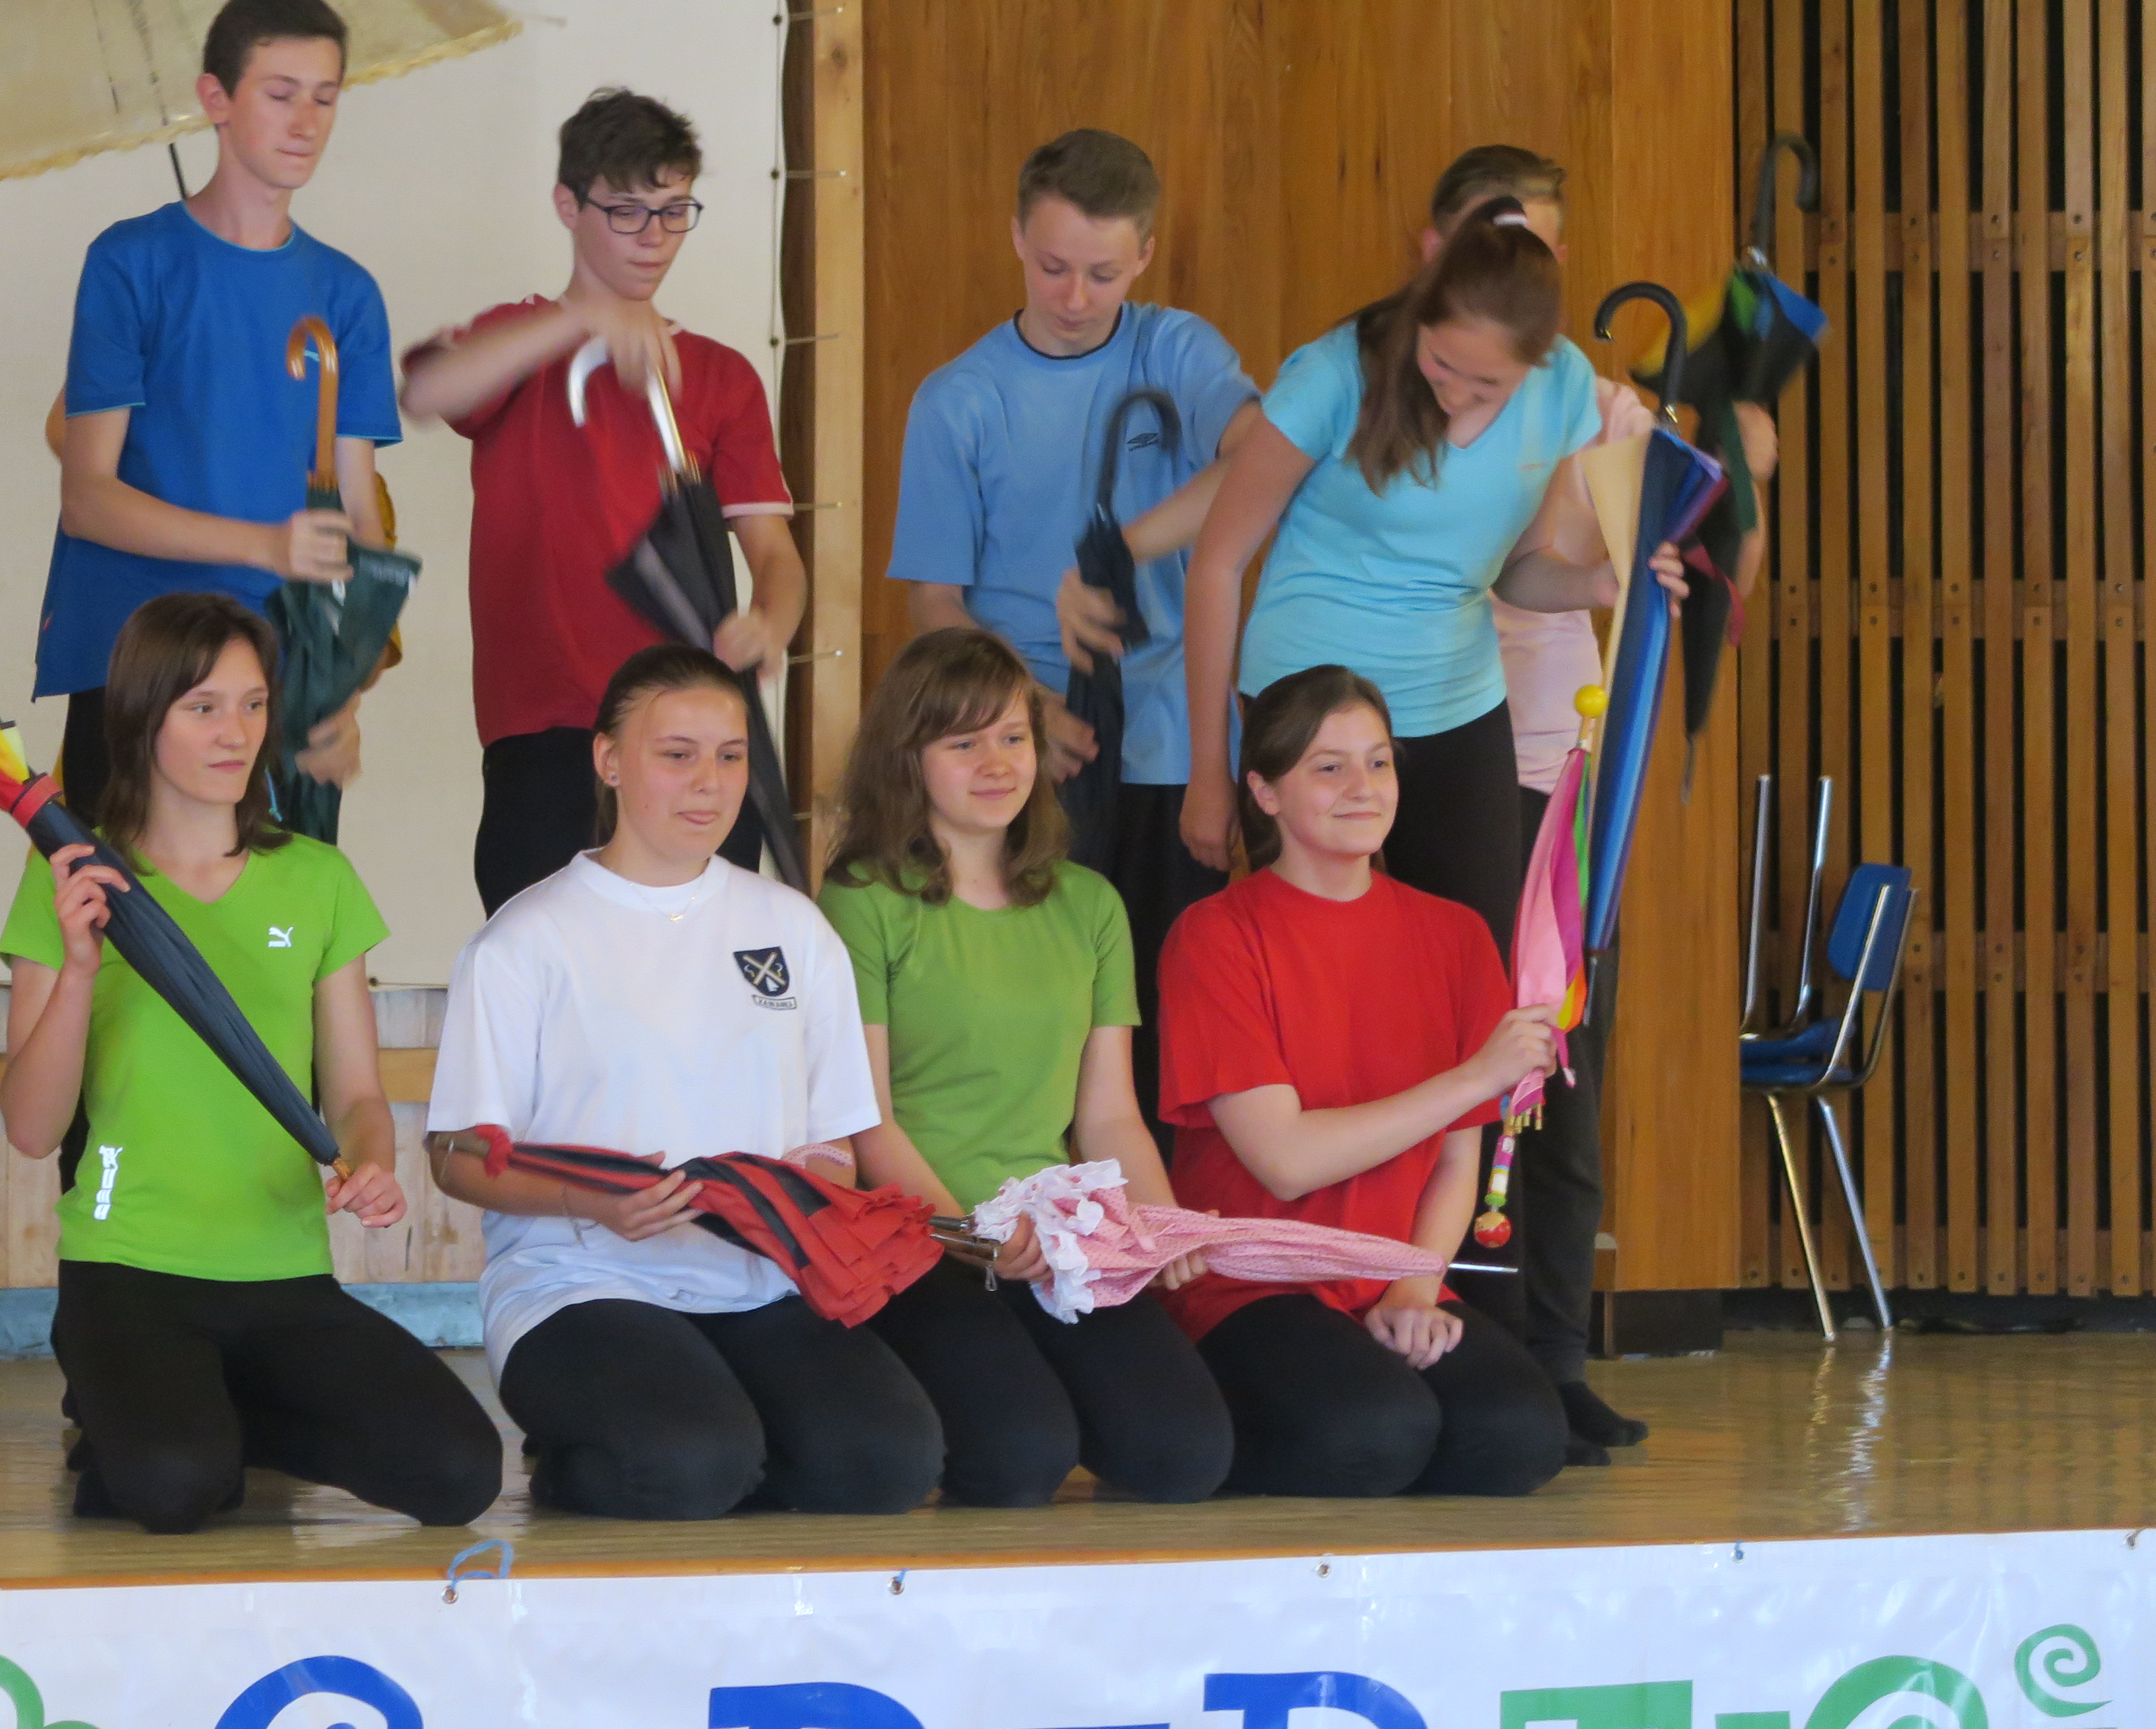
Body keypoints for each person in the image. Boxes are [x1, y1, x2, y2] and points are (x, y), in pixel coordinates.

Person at [0, 593, 503, 1535]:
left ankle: (214, 1429)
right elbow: (31, 1130)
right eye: (204, 708)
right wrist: (78, 969)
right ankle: (165, 1435)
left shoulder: (317, 879)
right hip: (128, 1270)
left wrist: (371, 1162)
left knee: (460, 1473)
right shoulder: (71, 880)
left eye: (254, 704)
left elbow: (355, 1094)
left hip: (284, 1276)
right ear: (142, 717)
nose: (236, 733)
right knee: (175, 1489)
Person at [1414, 147, 1772, 1461]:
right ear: (1435, 247)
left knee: (1559, 1073)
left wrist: (1736, 467)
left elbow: (1705, 564)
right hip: (1415, 765)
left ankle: (1552, 1355)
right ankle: (1441, 1331)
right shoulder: (1398, 385)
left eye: (1536, 239)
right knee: (1441, 1072)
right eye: (1487, 232)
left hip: (1551, 777)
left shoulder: (1601, 403)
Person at [427, 644, 943, 1519]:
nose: (708, 783)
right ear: (609, 760)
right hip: (580, 1283)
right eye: (677, 755)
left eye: (731, 756)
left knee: (888, 1463)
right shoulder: (526, 939)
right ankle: (617, 1456)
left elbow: (836, 1142)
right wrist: (597, 1203)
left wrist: (801, 1187)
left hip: (761, 1280)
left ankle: (727, 1456)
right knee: (690, 1461)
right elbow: (456, 1156)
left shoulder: (793, 927)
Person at [1178, 200, 1673, 951]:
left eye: (1487, 385)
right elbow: (1217, 564)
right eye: (1442, 364)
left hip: (1455, 701)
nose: (1456, 394)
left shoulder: (1566, 389)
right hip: (1309, 699)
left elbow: (1518, 572)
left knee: (1476, 955)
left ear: (1537, 364)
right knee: (1318, 961)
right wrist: (1208, 772)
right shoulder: (1336, 373)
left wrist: (1602, 583)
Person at [887, 130, 1256, 1118]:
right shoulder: (958, 400)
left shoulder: (1177, 350)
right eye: (1053, 267)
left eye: (1103, 273)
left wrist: (1118, 551)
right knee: (1049, 1016)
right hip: (1032, 743)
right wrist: (1018, 712)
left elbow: (1263, 458)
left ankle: (1159, 1207)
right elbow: (935, 604)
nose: (1076, 298)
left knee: (1172, 1015)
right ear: (1016, 237)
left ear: (1145, 255)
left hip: (1172, 733)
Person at [820, 627, 1232, 1507]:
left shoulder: (1091, 904)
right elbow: (867, 1120)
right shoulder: (862, 898)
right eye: (963, 743)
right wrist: (978, 1238)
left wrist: (1159, 1225)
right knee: (1018, 1457)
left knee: (1183, 1455)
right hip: (924, 1238)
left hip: (1059, 1239)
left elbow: (1109, 1115)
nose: (997, 762)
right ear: (908, 758)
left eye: (1013, 736)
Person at [1155, 667, 1569, 1497]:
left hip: (1390, 1271)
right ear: (1265, 793)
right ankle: (1202, 1429)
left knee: (1519, 1438)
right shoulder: (1215, 934)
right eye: (1329, 767)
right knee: (1374, 1433)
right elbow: (1286, 1161)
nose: (1364, 788)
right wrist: (1475, 1077)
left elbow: (1457, 1161)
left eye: (1379, 762)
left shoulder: (1455, 935)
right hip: (1254, 1284)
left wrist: (1416, 1286)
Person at [399, 89, 801, 912]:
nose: (654, 237)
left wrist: (771, 623)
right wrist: (583, 320)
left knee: (696, 959)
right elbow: (427, 391)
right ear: (568, 206)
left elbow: (775, 556)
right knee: (543, 955)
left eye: (675, 211)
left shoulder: (720, 375)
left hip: (688, 734)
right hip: (547, 731)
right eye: (626, 212)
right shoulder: (520, 339)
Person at [38, 0, 390, 824]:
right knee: (121, 900)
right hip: (138, 663)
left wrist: (344, 689)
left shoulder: (347, 292)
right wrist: (265, 545)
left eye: (325, 98)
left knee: (282, 904)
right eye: (280, 94)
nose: (306, 122)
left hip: (283, 674)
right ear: (215, 99)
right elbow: (88, 497)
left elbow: (360, 521)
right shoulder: (131, 262)